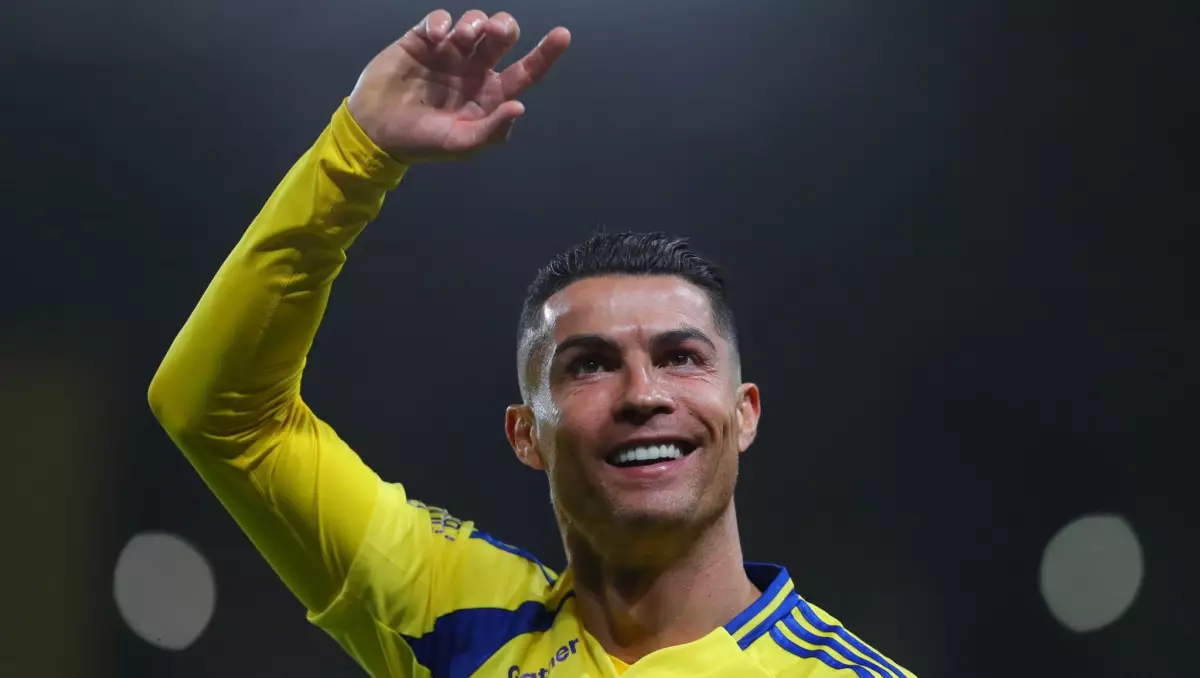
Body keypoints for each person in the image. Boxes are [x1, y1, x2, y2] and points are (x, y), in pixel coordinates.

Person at [149, 8, 916, 678]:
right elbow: (221, 416)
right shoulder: (455, 615)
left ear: (744, 412)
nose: (644, 395)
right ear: (525, 434)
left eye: (681, 357)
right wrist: (357, 154)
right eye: (590, 365)